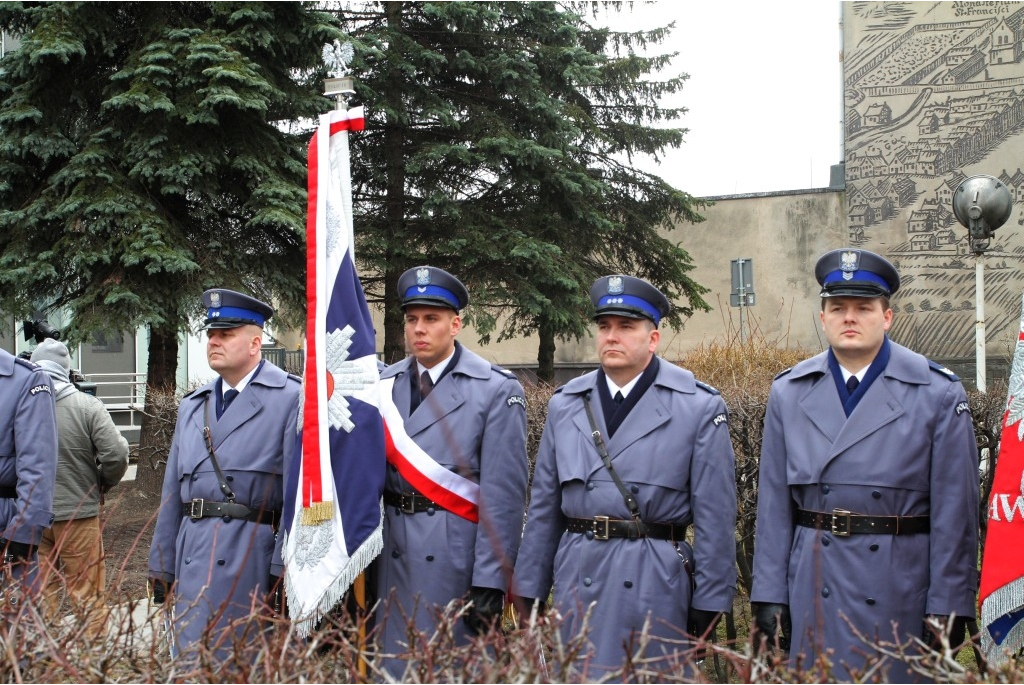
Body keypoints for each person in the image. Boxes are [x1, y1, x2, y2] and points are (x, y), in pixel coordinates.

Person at [750, 248, 979, 680]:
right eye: (838, 308)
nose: (849, 318)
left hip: (898, 585)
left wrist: (949, 603)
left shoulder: (936, 392)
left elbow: (956, 514)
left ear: (887, 317)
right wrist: (768, 594)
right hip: (814, 580)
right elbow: (774, 507)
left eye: (863, 308)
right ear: (823, 318)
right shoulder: (789, 391)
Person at [513, 274, 737, 677]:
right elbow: (545, 506)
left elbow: (716, 517)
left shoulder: (696, 406)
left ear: (653, 339)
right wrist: (528, 587)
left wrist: (711, 600)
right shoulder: (566, 404)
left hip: (654, 582)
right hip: (578, 577)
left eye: (626, 327)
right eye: (604, 327)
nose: (611, 337)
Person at [375, 266, 528, 676]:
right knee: (392, 667)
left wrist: (492, 581)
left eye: (431, 319)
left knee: (449, 668)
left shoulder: (494, 389)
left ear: (455, 324)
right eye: (412, 319)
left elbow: (505, 496)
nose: (419, 329)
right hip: (391, 553)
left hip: (454, 556)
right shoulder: (381, 387)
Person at [148, 289, 301, 662]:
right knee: (189, 662)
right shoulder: (192, 406)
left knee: (240, 661)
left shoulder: (290, 398)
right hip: (191, 554)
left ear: (255, 341)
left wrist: (284, 570)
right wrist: (162, 562)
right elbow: (173, 492)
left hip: (250, 558)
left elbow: (298, 495)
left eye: (226, 334)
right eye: (211, 334)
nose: (213, 341)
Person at [31, 338, 129, 638]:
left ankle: (41, 665)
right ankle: (92, 666)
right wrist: (101, 483)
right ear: (67, 369)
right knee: (87, 594)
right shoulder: (88, 406)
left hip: (30, 516)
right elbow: (116, 454)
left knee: (38, 595)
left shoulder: (17, 404)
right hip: (78, 513)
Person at [0, 345, 58, 609]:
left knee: (13, 638)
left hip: (5, 531)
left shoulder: (25, 380)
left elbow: (38, 467)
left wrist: (23, 535)